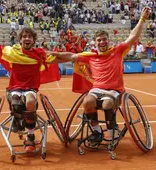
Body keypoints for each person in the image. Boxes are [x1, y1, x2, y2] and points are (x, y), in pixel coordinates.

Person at [49, 7, 151, 145]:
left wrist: (142, 19)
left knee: (107, 103)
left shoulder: (118, 51)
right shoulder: (90, 56)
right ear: (95, 43)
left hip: (115, 91)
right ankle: (96, 131)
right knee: (87, 102)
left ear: (108, 41)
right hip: (97, 89)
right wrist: (51, 54)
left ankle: (111, 133)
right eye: (99, 40)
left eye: (104, 39)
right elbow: (71, 56)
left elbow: (133, 37)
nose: (102, 42)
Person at [0, 28, 77, 153]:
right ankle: (19, 122)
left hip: (30, 88)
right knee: (16, 103)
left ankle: (30, 136)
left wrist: (77, 57)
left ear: (33, 40)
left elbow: (60, 57)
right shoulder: (11, 52)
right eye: (24, 36)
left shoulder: (39, 54)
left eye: (29, 37)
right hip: (15, 87)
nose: (27, 38)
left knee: (30, 101)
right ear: (20, 39)